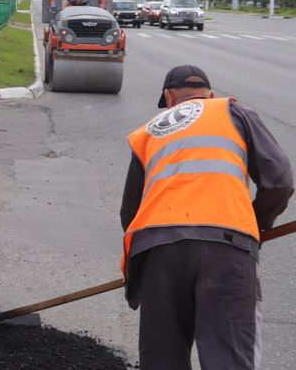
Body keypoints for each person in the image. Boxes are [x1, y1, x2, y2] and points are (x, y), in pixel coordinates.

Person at [120, 65, 293, 370]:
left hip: (158, 249)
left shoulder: (149, 131)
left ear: (168, 97)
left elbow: (130, 213)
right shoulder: (233, 111)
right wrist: (255, 222)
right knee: (228, 358)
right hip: (227, 247)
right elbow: (280, 181)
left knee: (162, 360)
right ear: (210, 94)